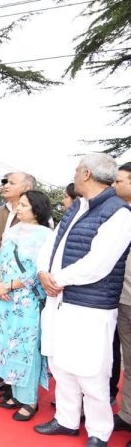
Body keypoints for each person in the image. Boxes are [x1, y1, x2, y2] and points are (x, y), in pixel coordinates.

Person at [34, 154, 131, 447]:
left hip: (90, 305)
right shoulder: (77, 206)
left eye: (77, 170)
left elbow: (99, 263)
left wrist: (57, 279)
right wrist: (42, 271)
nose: (74, 174)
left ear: (86, 173)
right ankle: (67, 420)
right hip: (60, 299)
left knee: (91, 371)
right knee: (61, 364)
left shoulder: (120, 214)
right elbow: (52, 243)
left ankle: (99, 432)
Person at [0, 190, 52, 422]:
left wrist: (9, 285)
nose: (19, 208)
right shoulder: (13, 231)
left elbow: (38, 271)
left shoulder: (46, 235)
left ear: (37, 209)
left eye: (24, 205)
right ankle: (14, 392)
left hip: (26, 300)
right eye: (20, 205)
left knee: (25, 345)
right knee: (7, 344)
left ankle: (30, 400)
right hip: (3, 297)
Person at [0, 172, 36, 354]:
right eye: (4, 182)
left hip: (19, 283)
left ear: (26, 188)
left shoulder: (39, 217)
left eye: (11, 183)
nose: (5, 185)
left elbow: (37, 259)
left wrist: (9, 284)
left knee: (14, 323)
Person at [111, 162, 131, 435]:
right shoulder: (121, 215)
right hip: (124, 298)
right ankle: (127, 414)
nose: (114, 185)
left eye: (120, 181)